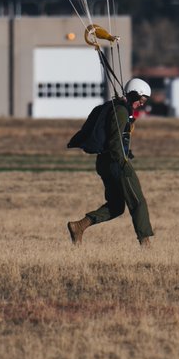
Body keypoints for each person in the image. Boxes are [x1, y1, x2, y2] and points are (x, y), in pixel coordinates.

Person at [67, 78, 154, 247]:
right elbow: (115, 142)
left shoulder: (118, 109)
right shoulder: (120, 111)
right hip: (116, 163)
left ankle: (79, 226)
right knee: (137, 201)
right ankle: (145, 242)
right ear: (135, 95)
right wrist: (123, 162)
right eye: (141, 100)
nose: (142, 104)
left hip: (105, 162)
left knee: (116, 206)